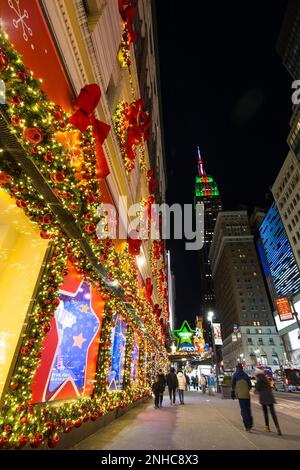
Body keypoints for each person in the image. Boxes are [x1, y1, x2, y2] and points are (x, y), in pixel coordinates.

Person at [255, 368, 282, 435]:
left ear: (257, 373)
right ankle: (278, 427)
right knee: (273, 413)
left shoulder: (259, 379)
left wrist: (256, 387)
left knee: (265, 413)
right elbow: (269, 386)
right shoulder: (265, 378)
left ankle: (267, 427)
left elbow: (257, 389)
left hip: (264, 398)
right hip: (270, 397)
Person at [231, 363, 253, 432]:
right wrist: (246, 390)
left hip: (240, 395)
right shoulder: (245, 375)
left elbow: (233, 384)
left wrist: (234, 392)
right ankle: (250, 424)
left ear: (237, 368)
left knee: (243, 411)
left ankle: (247, 427)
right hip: (247, 395)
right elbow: (250, 385)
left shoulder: (235, 375)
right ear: (242, 368)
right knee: (248, 409)